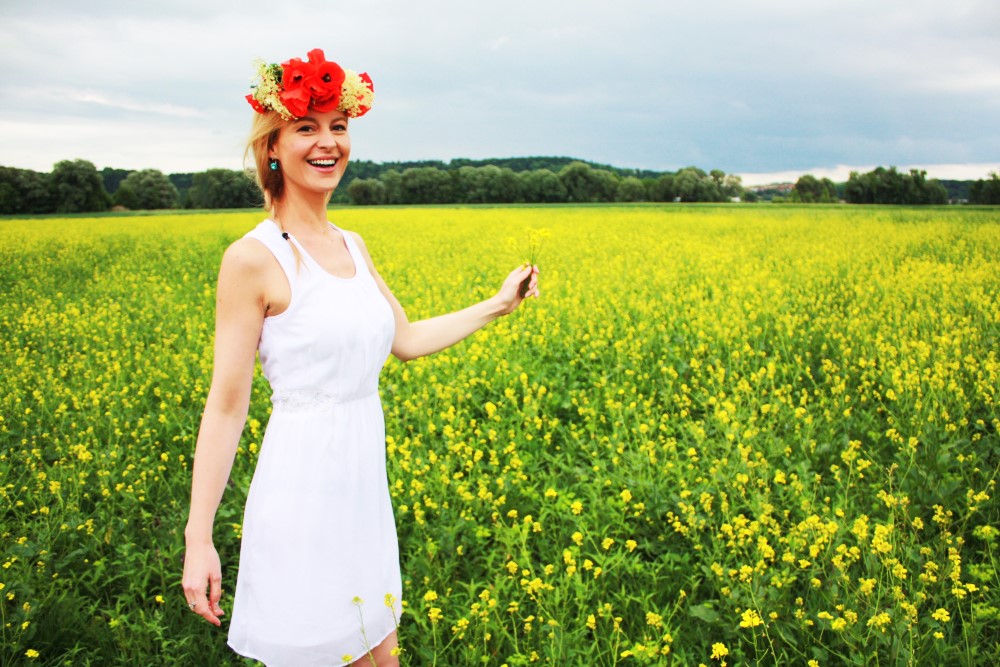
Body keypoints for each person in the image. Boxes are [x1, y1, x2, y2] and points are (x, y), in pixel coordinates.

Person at [181, 48, 539, 666]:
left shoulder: (353, 244)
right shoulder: (252, 258)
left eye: (338, 127)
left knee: (382, 657)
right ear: (272, 146)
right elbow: (225, 407)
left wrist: (497, 305)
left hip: (361, 492)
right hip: (302, 494)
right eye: (306, 127)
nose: (328, 143)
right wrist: (198, 538)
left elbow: (405, 340)